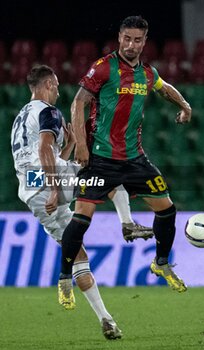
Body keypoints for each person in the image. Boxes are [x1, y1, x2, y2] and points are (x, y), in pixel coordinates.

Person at [58, 15, 192, 308]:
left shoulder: (146, 73)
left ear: (145, 41)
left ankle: (161, 263)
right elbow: (78, 102)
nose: (131, 45)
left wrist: (184, 105)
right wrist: (81, 145)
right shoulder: (103, 67)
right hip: (101, 159)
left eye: (138, 40)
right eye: (127, 38)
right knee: (80, 219)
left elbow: (164, 87)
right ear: (119, 38)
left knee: (167, 210)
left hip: (134, 159)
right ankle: (65, 277)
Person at [11, 64, 152, 340]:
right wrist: (54, 189)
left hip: (29, 190)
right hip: (44, 181)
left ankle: (106, 320)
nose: (59, 92)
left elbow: (51, 153)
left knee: (78, 254)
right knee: (111, 178)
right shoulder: (48, 111)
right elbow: (42, 150)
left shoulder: (21, 116)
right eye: (57, 85)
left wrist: (72, 144)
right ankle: (127, 224)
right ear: (50, 83)